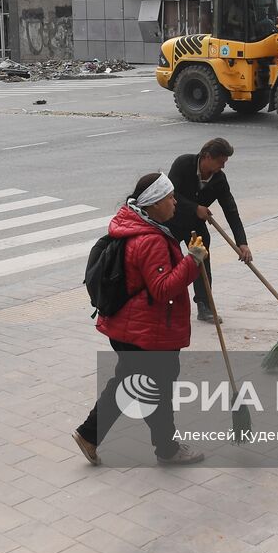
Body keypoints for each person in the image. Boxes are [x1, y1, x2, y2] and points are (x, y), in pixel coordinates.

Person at [73, 172, 208, 466]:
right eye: (169, 197)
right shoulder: (150, 240)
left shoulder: (135, 226)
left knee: (132, 385)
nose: (175, 202)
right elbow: (163, 289)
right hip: (146, 332)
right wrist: (193, 260)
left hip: (130, 328)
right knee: (156, 390)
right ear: (155, 203)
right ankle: (167, 449)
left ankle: (90, 435)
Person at [168, 137, 251, 324]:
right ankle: (167, 303)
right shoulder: (183, 164)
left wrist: (242, 243)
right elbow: (172, 194)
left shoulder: (219, 179)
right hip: (172, 222)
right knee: (168, 261)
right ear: (207, 157)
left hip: (196, 226)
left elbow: (231, 210)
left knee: (201, 261)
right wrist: (195, 208)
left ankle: (204, 305)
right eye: (220, 161)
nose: (223, 166)